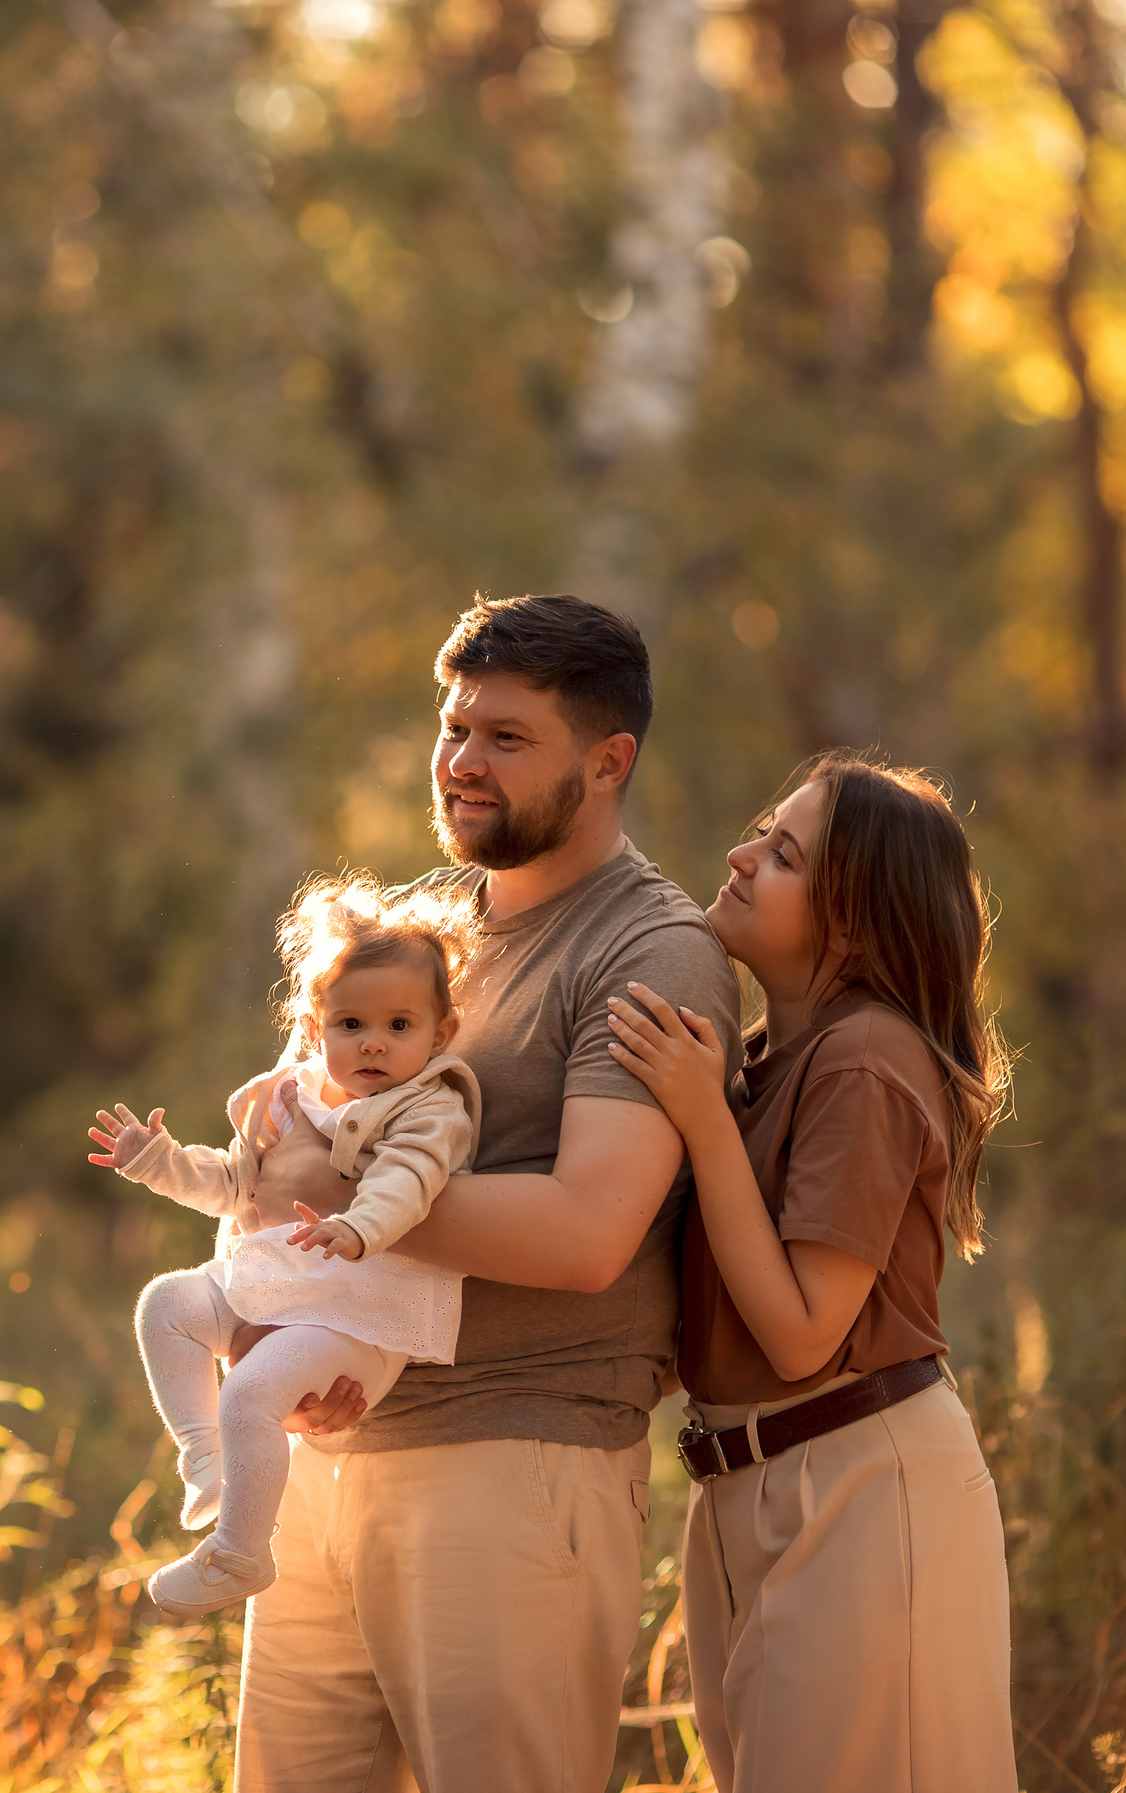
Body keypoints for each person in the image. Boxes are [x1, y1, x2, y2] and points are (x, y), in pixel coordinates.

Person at [235, 594, 742, 1793]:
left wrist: (326, 1172)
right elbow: (303, 1129)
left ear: (608, 761)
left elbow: (584, 1233)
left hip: (514, 1462)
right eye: (453, 727)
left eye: (505, 737)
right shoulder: (421, 933)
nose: (460, 762)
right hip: (328, 1452)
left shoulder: (648, 951)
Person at [603, 750, 1017, 1792]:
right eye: (760, 829)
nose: (740, 856)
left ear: (852, 921)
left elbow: (799, 1331)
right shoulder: (752, 1060)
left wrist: (702, 1119)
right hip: (743, 1488)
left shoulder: (866, 1058)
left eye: (783, 853)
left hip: (859, 1487)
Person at [88, 876, 482, 1618]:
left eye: (400, 1025)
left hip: (353, 1314)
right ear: (314, 1026)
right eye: (351, 1023)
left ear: (442, 1033)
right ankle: (206, 1457)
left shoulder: (429, 1106)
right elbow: (231, 1185)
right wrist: (155, 1158)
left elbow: (411, 1178)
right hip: (276, 1288)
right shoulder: (289, 1098)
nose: (373, 1041)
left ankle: (240, 1553)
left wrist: (360, 1225)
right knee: (166, 1303)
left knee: (251, 1392)